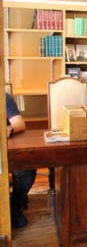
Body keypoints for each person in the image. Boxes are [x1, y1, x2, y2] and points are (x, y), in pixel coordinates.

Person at [6, 92, 34, 229]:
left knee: (28, 169)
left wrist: (9, 129)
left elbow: (19, 123)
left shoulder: (4, 97)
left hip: (6, 151)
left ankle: (12, 208)